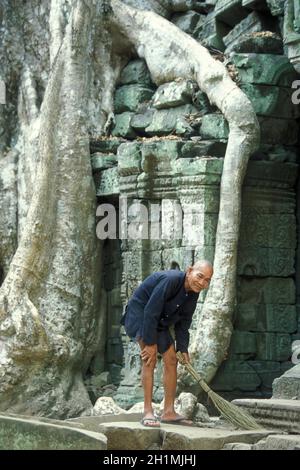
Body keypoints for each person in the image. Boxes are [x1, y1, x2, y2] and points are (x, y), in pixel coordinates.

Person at [121, 260, 213, 427]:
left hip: (158, 321)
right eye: (200, 277)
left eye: (207, 280)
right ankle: (148, 412)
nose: (202, 283)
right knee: (149, 359)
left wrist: (183, 348)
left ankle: (168, 412)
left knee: (171, 359)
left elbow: (184, 322)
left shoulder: (194, 291)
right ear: (189, 270)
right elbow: (150, 310)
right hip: (140, 316)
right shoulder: (171, 280)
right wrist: (149, 344)